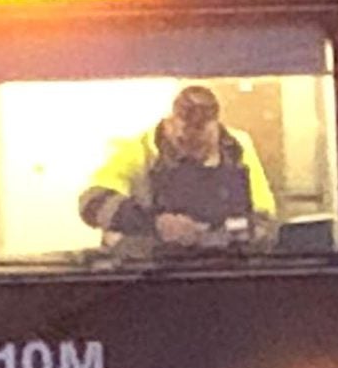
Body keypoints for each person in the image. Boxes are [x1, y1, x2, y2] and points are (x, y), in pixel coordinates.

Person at [78, 84, 277, 249]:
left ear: (216, 126)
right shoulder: (140, 151)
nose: (193, 151)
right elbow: (91, 203)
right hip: (152, 274)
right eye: (183, 142)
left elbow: (264, 217)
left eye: (201, 144)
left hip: (222, 269)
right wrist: (155, 223)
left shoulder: (237, 148)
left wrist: (228, 234)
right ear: (170, 124)